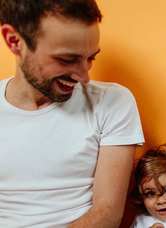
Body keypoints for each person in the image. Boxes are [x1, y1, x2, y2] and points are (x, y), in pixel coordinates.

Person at [0, 1, 144, 227]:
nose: (83, 77)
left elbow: (107, 214)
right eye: (67, 59)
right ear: (14, 41)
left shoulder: (112, 102)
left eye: (90, 58)